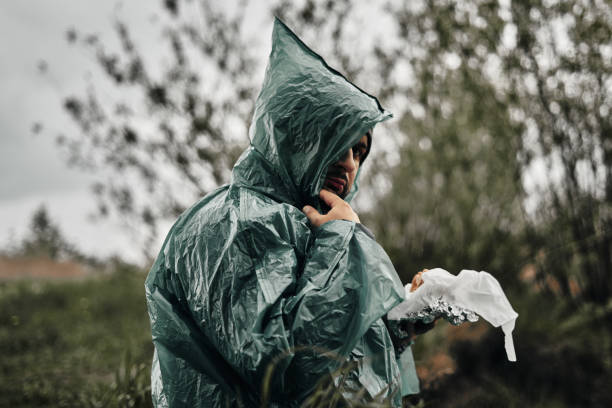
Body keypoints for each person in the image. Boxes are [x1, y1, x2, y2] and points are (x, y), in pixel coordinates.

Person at [145, 18, 420, 407]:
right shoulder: (235, 224)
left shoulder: (308, 222)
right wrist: (341, 242)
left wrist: (402, 323)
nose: (349, 164)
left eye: (359, 151)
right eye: (338, 143)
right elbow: (282, 364)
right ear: (297, 137)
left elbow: (338, 356)